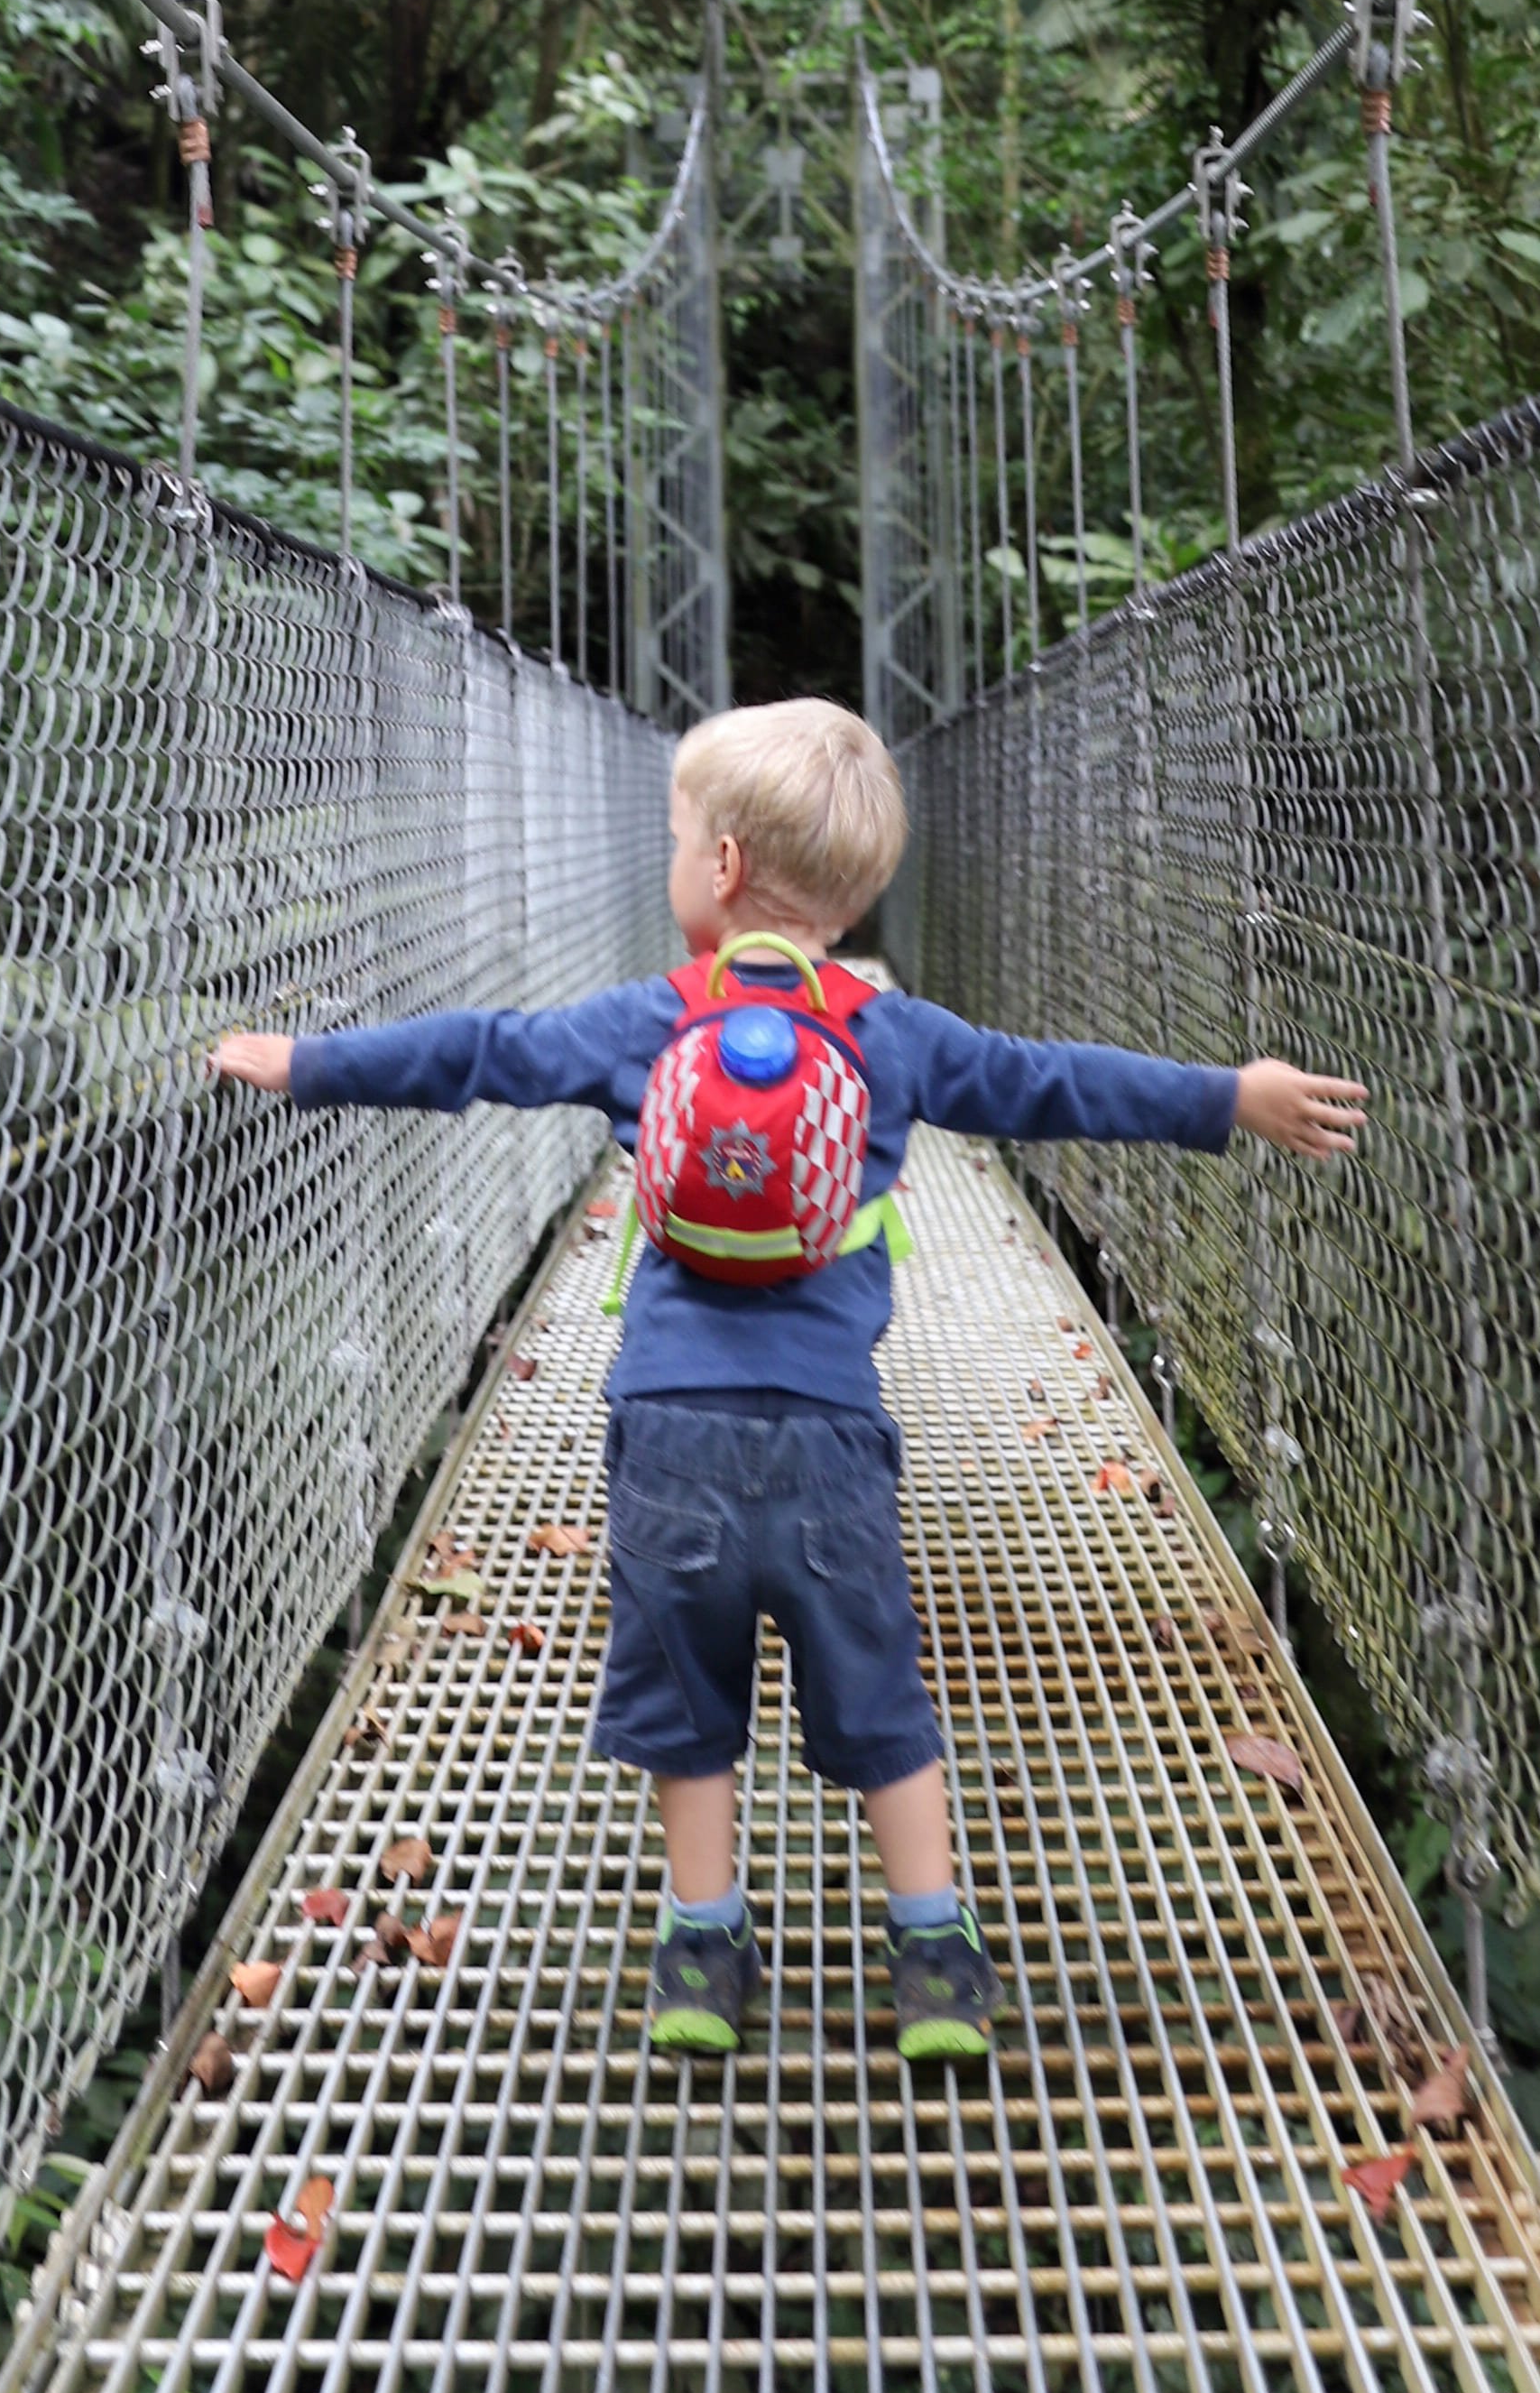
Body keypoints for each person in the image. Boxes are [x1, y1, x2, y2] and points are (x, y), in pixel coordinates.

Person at [209, 693, 1366, 2070]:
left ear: (724, 871)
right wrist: (1228, 1096)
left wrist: (307, 1063)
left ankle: (702, 1949)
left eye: (678, 831)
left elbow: (478, 1055)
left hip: (667, 1432)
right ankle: (935, 1953)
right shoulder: (895, 1037)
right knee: (878, 1697)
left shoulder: (649, 1022)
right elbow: (1054, 1084)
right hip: (831, 1437)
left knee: (689, 1710)